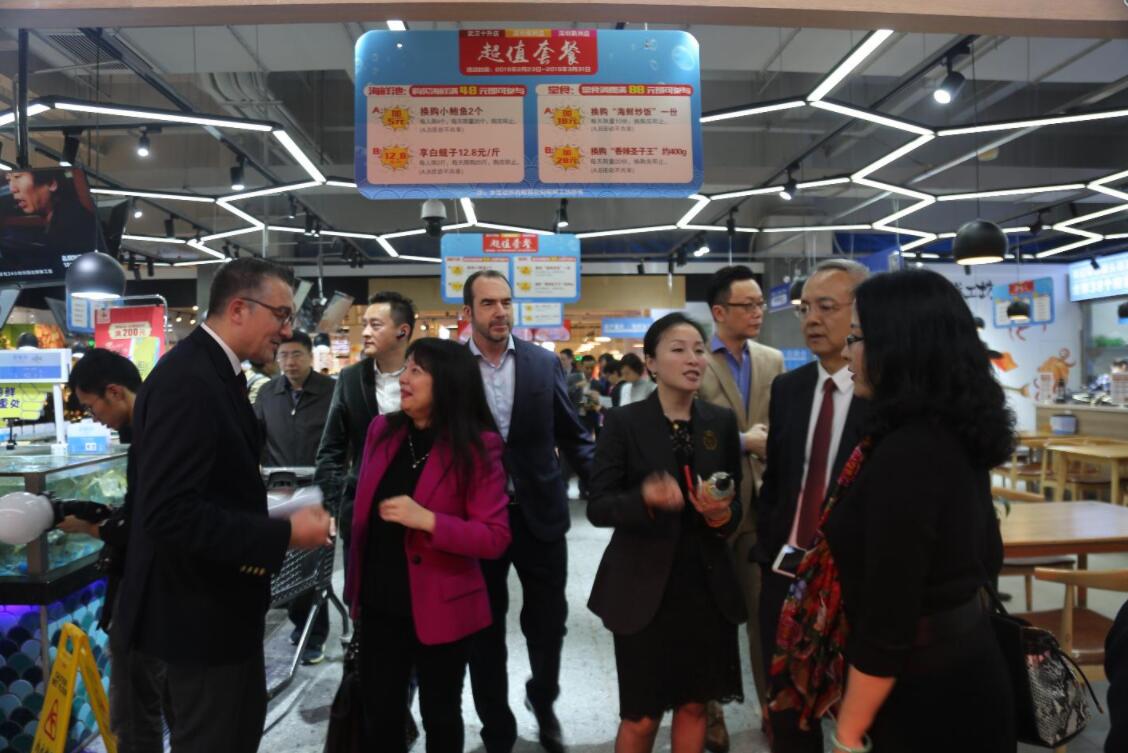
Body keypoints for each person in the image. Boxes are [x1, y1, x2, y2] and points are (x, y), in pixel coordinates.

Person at [771, 268, 1016, 753]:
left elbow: (890, 618)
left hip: (926, 696)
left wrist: (848, 733)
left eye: (858, 338)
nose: (848, 352)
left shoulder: (908, 453)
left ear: (900, 346)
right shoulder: (948, 432)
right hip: (965, 668)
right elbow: (988, 555)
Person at [115, 257, 332, 753]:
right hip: (199, 617)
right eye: (281, 315)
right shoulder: (188, 380)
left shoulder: (217, 372)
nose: (287, 330)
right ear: (238, 308)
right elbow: (170, 513)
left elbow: (205, 488)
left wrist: (270, 507)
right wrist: (284, 533)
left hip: (220, 611)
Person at [587, 312, 745, 753]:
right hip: (642, 588)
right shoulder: (624, 422)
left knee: (694, 707)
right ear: (652, 363)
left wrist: (720, 515)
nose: (693, 359)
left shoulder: (719, 422)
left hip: (706, 586)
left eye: (699, 350)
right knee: (641, 716)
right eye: (679, 350)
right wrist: (644, 499)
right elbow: (598, 505)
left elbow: (735, 503)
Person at [344, 338, 511, 753]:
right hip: (378, 602)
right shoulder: (382, 431)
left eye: (416, 371)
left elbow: (494, 537)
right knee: (380, 712)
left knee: (440, 713)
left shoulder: (478, 446)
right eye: (405, 369)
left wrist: (428, 520)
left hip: (442, 605)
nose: (404, 378)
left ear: (448, 382)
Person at [462, 270, 595, 753]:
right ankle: (496, 726)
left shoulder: (542, 363)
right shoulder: (452, 368)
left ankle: (543, 699)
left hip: (539, 513)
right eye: (488, 303)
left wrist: (609, 483)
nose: (500, 311)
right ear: (468, 312)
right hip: (479, 519)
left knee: (548, 621)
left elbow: (572, 432)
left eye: (506, 301)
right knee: (483, 626)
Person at [756, 258, 869, 753]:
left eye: (826, 307)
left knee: (855, 717)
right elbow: (779, 481)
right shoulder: (789, 388)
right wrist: (768, 549)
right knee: (787, 715)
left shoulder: (883, 395)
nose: (812, 320)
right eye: (805, 309)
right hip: (786, 572)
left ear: (862, 313)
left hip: (850, 582)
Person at [315, 290, 421, 744]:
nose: (366, 331)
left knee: (416, 614)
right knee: (369, 614)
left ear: (402, 330)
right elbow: (332, 449)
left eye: (376, 324)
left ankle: (402, 702)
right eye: (365, 323)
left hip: (420, 514)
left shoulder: (428, 374)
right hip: (363, 516)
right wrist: (333, 506)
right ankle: (385, 709)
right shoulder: (351, 379)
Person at [59, 348, 166, 753]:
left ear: (115, 392)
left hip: (148, 594)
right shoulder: (154, 428)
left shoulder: (152, 437)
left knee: (135, 708)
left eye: (91, 406)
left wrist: (92, 527)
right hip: (158, 594)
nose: (93, 417)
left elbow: (148, 526)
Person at [696, 265, 784, 751]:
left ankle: (773, 708)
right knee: (711, 616)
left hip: (762, 506)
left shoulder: (772, 360)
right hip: (712, 507)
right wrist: (742, 441)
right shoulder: (695, 359)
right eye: (747, 305)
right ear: (719, 311)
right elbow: (687, 429)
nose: (757, 312)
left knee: (764, 615)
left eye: (760, 304)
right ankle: (711, 714)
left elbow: (782, 425)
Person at [254, 329, 335, 665]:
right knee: (281, 564)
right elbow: (255, 438)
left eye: (296, 354)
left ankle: (313, 635)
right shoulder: (268, 393)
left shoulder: (331, 391)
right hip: (277, 492)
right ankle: (301, 621)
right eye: (283, 355)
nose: (289, 362)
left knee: (311, 566)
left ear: (310, 356)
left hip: (317, 491)